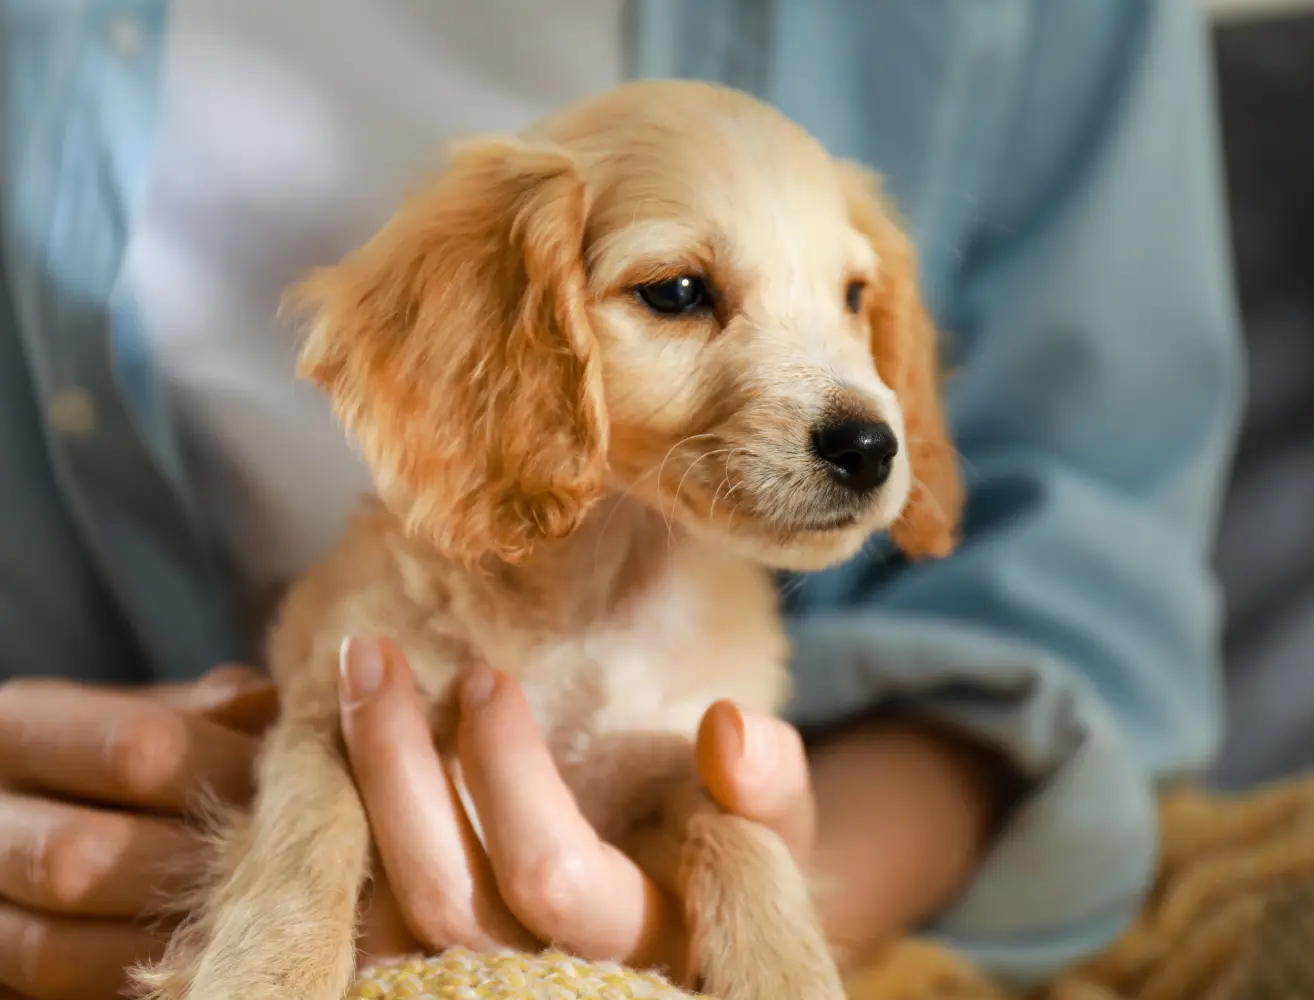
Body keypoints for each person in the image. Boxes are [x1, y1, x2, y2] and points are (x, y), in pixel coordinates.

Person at [0, 1, 1243, 998]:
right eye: (681, 293)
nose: (860, 408)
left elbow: (1084, 592)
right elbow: (325, 744)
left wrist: (741, 911)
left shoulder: (721, 644)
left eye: (854, 298)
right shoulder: (404, 584)